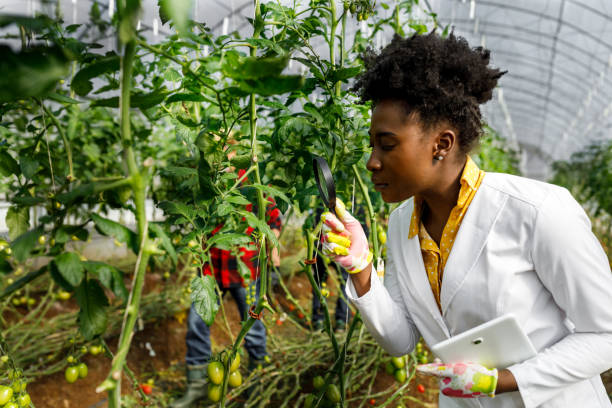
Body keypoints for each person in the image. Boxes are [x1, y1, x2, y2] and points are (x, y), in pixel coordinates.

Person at [320, 32, 612, 408]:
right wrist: (361, 270)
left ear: (442, 144)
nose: (372, 161)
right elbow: (400, 340)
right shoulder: (400, 225)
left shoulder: (538, 211)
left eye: (387, 144)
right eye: (372, 145)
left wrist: (502, 381)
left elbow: (605, 334)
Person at [171, 169, 282, 408]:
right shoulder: (204, 185)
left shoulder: (253, 184)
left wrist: (272, 247)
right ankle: (198, 385)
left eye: (226, 153)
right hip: (210, 269)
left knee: (253, 325)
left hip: (246, 269)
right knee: (196, 323)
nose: (221, 161)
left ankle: (256, 381)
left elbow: (274, 219)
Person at [311, 204, 368, 332]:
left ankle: (330, 319)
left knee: (329, 281)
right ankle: (331, 319)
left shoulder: (323, 204)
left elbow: (314, 227)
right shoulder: (354, 205)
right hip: (328, 250)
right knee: (334, 281)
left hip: (340, 250)